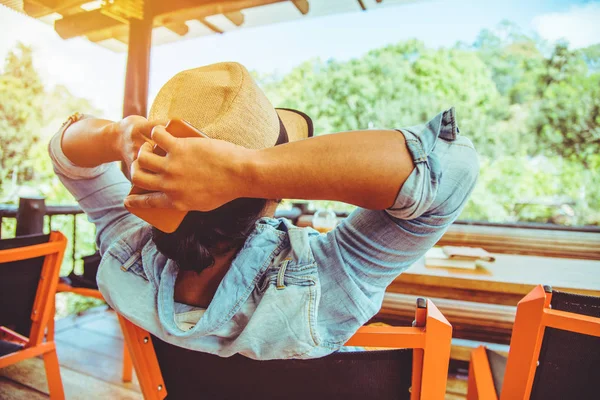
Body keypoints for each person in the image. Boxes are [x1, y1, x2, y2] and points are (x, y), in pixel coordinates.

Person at [49, 62, 478, 360]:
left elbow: (64, 150)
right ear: (271, 197)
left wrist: (116, 133)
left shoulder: (124, 259)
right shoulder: (332, 280)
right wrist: (248, 170)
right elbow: (452, 164)